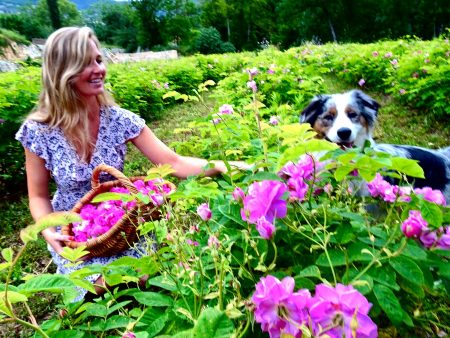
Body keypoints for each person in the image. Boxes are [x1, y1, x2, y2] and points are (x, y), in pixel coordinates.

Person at [15, 26, 246, 303]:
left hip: (122, 224)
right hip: (75, 234)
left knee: (149, 277)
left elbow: (173, 162)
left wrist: (223, 165)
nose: (98, 69)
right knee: (98, 287)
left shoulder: (119, 119)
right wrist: (51, 233)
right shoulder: (39, 130)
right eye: (86, 63)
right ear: (63, 70)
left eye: (99, 60)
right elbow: (38, 196)